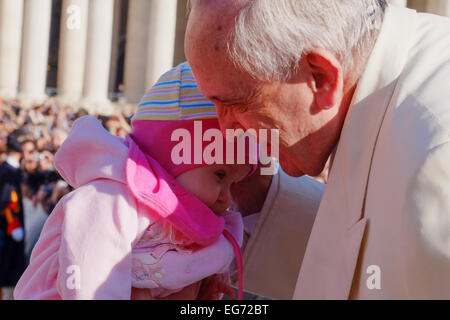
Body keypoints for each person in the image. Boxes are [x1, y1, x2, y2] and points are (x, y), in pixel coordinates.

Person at [185, 0, 450, 299]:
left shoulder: (437, 162)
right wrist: (260, 200)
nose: (226, 132)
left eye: (235, 103)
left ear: (322, 78)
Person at [14, 62, 255, 300]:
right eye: (220, 175)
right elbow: (91, 281)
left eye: (235, 183)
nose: (227, 197)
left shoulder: (187, 210)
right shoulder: (111, 198)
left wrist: (209, 279)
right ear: (173, 157)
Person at [0, 134, 26, 300]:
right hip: (9, 229)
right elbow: (8, 202)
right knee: (8, 269)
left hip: (9, 228)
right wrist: (14, 225)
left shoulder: (6, 169)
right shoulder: (9, 172)